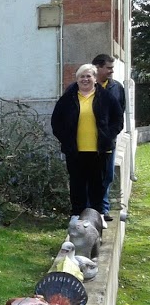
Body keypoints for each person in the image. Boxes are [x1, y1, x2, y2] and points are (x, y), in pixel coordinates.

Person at [51, 63, 122, 224]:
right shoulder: (68, 99)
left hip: (100, 150)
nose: (85, 79)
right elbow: (56, 122)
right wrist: (66, 139)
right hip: (75, 150)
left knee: (98, 183)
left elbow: (118, 119)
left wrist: (108, 136)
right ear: (77, 79)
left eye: (88, 76)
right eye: (81, 76)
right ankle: (77, 214)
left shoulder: (106, 97)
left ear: (95, 78)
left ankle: (98, 214)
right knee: (77, 183)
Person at [90, 54, 126, 222]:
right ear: (97, 68)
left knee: (107, 175)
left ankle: (103, 209)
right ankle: (89, 210)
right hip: (87, 140)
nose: (112, 71)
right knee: (89, 175)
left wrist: (110, 134)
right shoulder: (85, 86)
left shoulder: (116, 87)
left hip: (108, 140)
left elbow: (119, 113)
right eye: (109, 68)